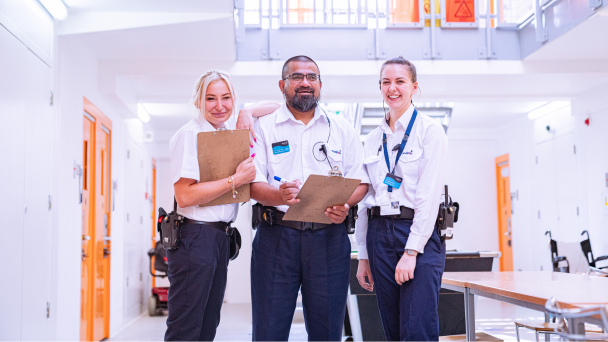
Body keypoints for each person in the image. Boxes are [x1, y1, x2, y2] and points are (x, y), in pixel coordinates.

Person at [249, 55, 369, 341]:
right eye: (297, 77)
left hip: (329, 239)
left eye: (311, 77)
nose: (305, 83)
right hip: (275, 237)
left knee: (327, 331)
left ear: (320, 84)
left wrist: (345, 205)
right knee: (268, 330)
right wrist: (277, 194)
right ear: (282, 84)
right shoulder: (264, 127)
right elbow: (252, 183)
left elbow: (363, 180)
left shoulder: (341, 129)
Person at [166, 70, 279, 341]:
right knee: (186, 325)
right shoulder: (190, 134)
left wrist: (247, 111)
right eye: (211, 98)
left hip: (218, 237)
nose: (220, 106)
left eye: (226, 98)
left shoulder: (227, 133)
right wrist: (235, 180)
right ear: (198, 102)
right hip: (195, 237)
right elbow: (184, 196)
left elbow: (277, 106)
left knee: (208, 323)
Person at [355, 57, 449, 341]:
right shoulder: (372, 139)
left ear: (414, 87)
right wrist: (363, 255)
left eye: (400, 81)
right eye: (386, 82)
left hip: (417, 232)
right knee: (393, 329)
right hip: (379, 233)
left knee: (417, 327)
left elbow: (429, 196)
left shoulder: (429, 131)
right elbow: (365, 200)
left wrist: (411, 251)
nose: (392, 88)